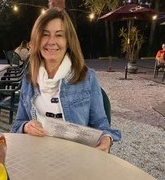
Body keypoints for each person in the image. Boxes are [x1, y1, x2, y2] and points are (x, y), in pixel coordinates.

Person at [11, 8, 121, 153]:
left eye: (59, 35)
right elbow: (17, 124)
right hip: (38, 154)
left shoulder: (88, 78)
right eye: (45, 35)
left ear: (68, 41)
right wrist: (26, 127)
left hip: (75, 156)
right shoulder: (29, 79)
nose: (51, 42)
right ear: (37, 39)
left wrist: (106, 139)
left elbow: (102, 125)